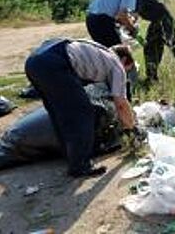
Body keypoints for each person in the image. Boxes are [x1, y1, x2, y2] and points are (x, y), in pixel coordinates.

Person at [24, 38, 138, 177]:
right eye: (128, 69)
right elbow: (121, 105)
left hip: (33, 62)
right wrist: (131, 128)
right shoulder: (117, 66)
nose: (125, 74)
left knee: (59, 113)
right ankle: (80, 166)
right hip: (55, 63)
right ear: (125, 60)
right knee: (83, 113)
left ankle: (71, 157)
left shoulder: (99, 51)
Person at [135, 0, 175, 83]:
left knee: (174, 48)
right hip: (156, 21)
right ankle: (152, 77)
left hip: (164, 21)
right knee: (150, 49)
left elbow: (134, 14)